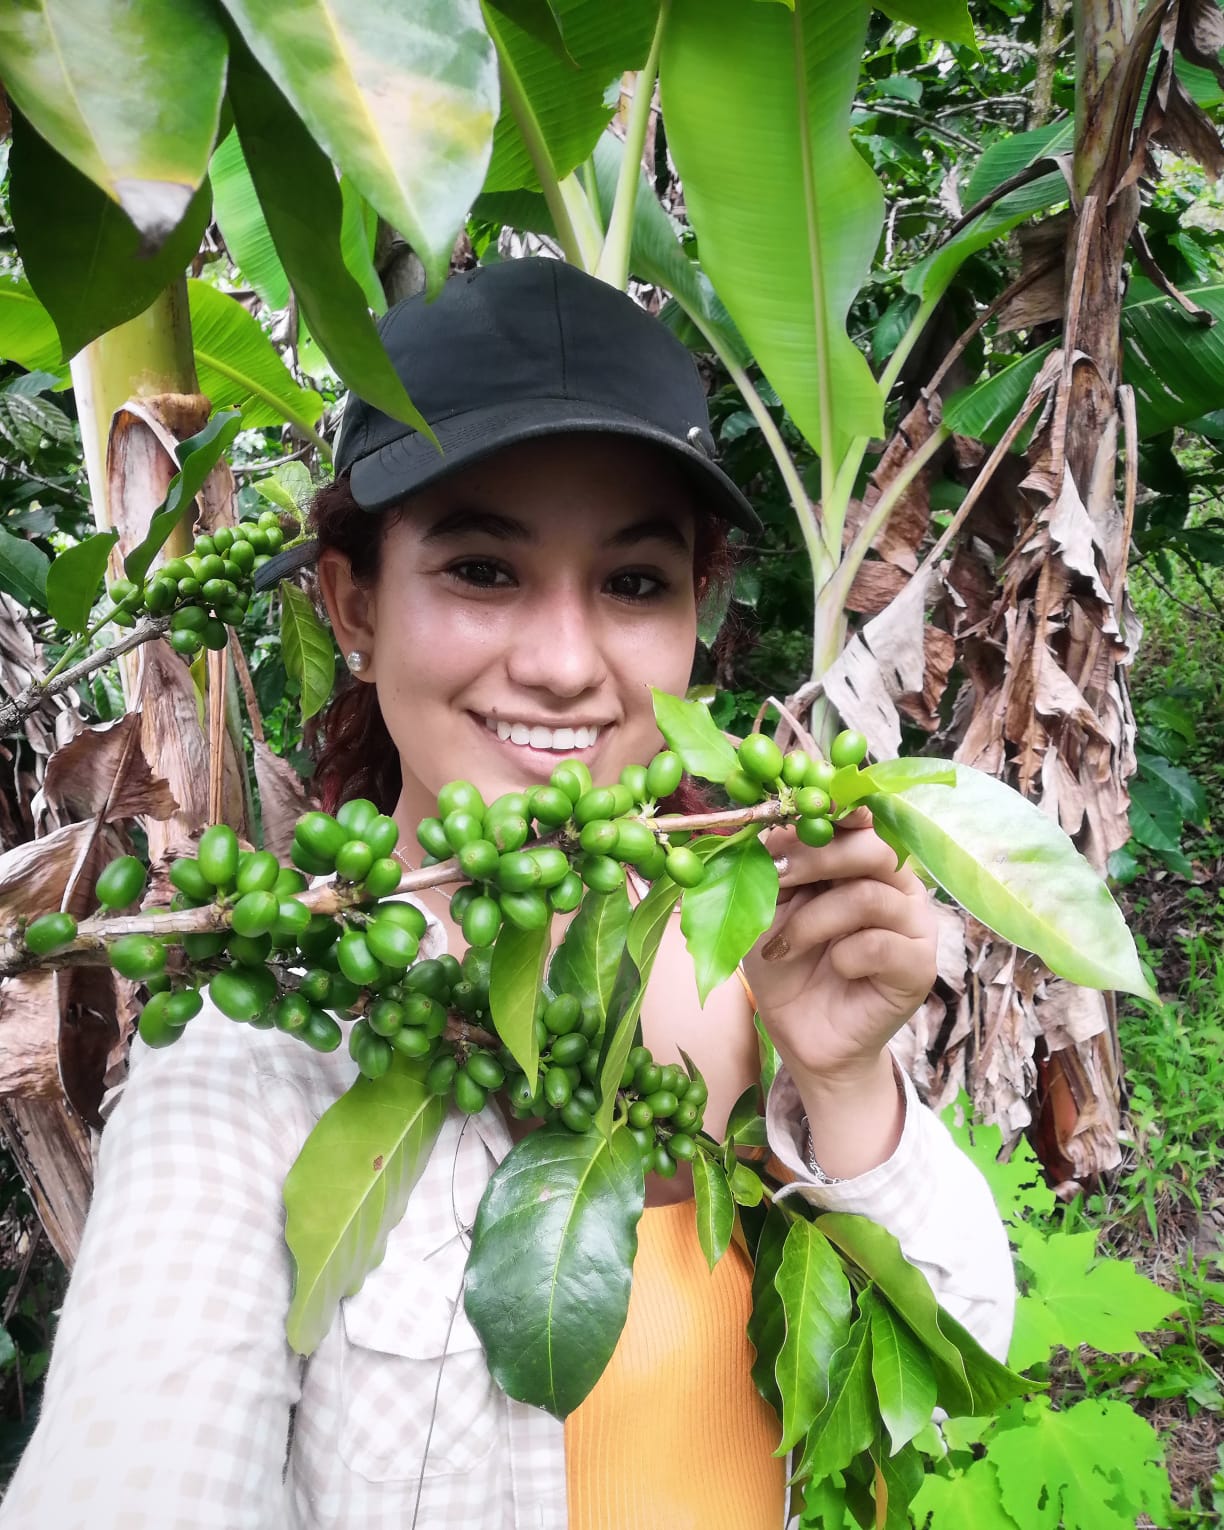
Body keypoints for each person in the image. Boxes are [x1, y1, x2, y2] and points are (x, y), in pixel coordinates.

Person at [0, 257, 1014, 1529]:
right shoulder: (254, 1069)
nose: (560, 663)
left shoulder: (754, 950)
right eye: (483, 569)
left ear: (698, 614)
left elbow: (953, 1369)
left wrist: (848, 1083)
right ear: (352, 602)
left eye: (635, 583)